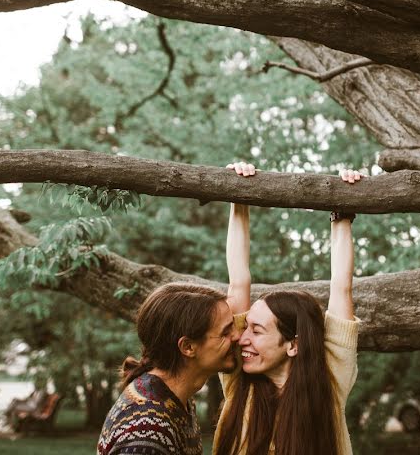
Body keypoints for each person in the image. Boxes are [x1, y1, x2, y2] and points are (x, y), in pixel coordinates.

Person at [215, 162, 362, 455]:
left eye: (256, 331)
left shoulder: (329, 381)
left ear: (294, 345)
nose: (242, 338)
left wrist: (342, 213)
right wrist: (239, 198)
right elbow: (239, 282)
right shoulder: (239, 377)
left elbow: (341, 287)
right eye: (247, 328)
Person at [98, 283, 242, 455]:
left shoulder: (176, 398)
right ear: (188, 347)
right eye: (225, 332)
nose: (238, 335)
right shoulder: (148, 431)